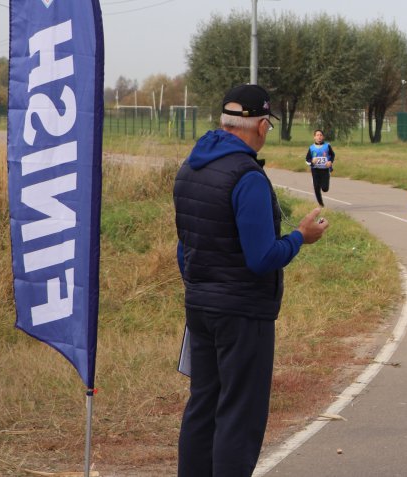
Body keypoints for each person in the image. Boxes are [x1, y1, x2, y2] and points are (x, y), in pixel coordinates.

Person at [174, 83, 329, 477]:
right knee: (239, 416)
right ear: (260, 125)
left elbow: (184, 246)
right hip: (243, 312)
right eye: (268, 125)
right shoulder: (247, 177)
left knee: (203, 404)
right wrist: (300, 238)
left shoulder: (190, 167)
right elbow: (261, 257)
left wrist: (199, 286)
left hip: (200, 305)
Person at [305, 129, 335, 206]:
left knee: (325, 189)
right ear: (314, 137)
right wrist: (312, 162)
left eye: (321, 135)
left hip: (325, 170)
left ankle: (323, 184)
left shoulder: (327, 146)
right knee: (316, 187)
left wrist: (330, 162)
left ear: (323, 137)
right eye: (317, 135)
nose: (319, 137)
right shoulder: (311, 148)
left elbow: (332, 155)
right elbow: (307, 159)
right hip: (315, 170)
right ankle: (321, 204)